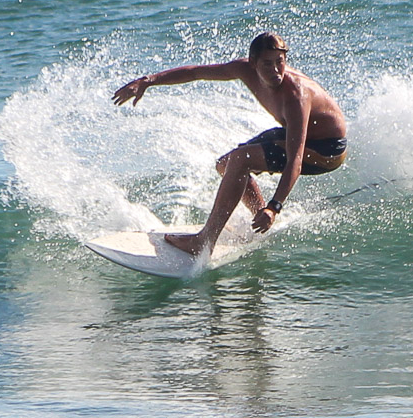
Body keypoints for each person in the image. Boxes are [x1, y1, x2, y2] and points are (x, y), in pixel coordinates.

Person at [112, 32, 348, 256]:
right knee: (226, 164)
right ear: (253, 63)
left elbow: (295, 160)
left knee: (241, 159)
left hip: (325, 150)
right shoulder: (243, 69)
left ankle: (204, 241)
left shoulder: (296, 96)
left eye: (280, 61)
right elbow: (196, 73)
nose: (276, 70)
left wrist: (275, 207)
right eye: (268, 63)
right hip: (296, 135)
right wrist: (148, 81)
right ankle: (259, 217)